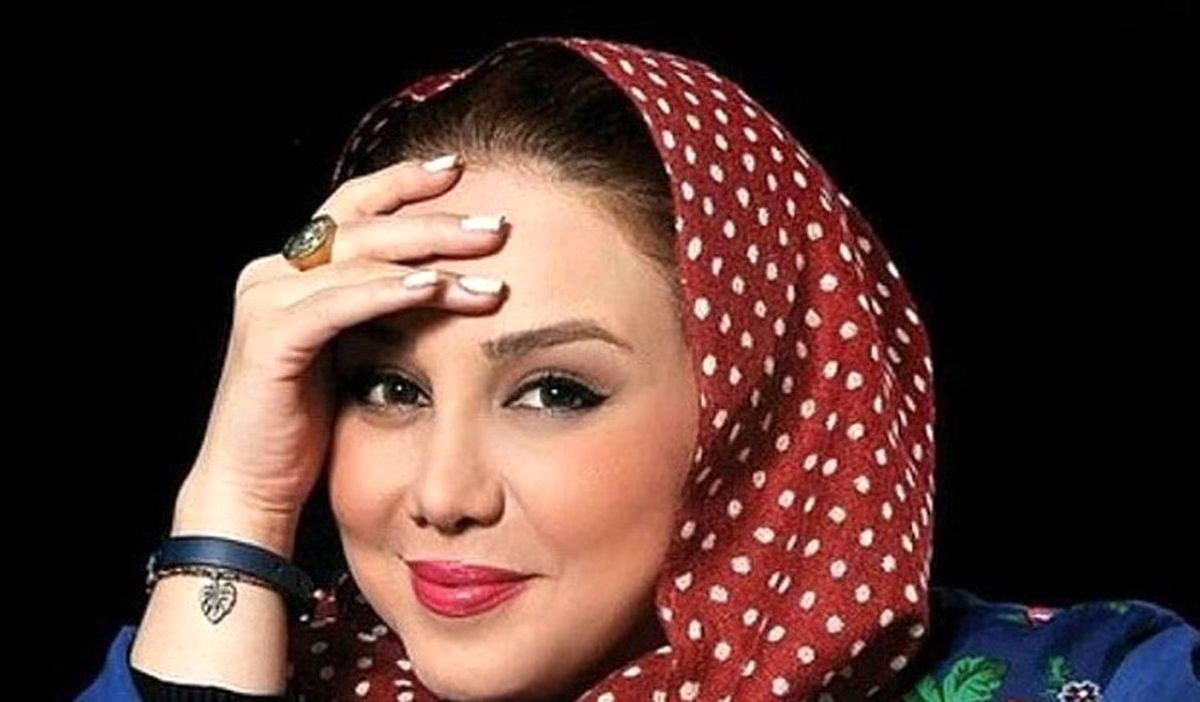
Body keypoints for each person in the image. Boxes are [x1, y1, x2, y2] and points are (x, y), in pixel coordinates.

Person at [77, 35, 1197, 702]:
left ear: (758, 413)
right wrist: (238, 501)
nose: (443, 495)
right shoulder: (237, 664)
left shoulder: (1112, 682)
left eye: (554, 392)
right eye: (389, 387)